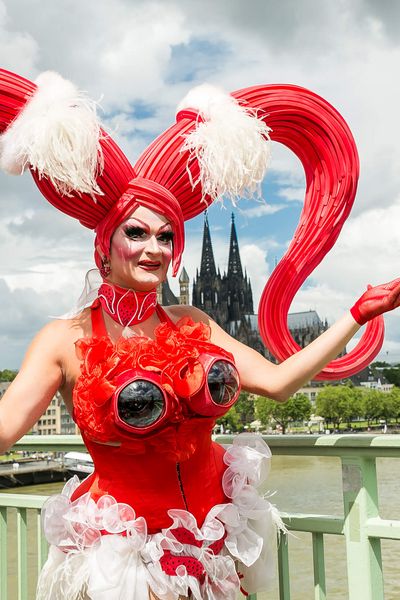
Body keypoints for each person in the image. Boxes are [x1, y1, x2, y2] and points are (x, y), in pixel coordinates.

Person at [0, 68, 399, 600]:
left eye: (166, 236)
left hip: (213, 548)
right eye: (136, 232)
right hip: (127, 561)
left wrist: (358, 314)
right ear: (105, 243)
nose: (154, 248)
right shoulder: (63, 338)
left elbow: (279, 384)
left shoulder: (192, 321)